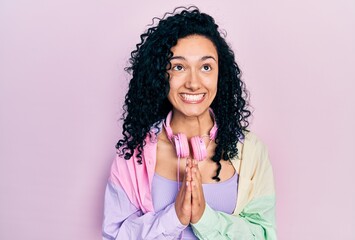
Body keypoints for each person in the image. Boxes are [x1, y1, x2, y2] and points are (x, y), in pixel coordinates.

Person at [102, 6, 276, 240]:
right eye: (178, 67)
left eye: (206, 67)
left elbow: (264, 234)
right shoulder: (133, 155)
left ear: (219, 74)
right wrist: (174, 217)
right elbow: (114, 236)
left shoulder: (252, 151)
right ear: (159, 75)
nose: (193, 83)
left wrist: (205, 218)